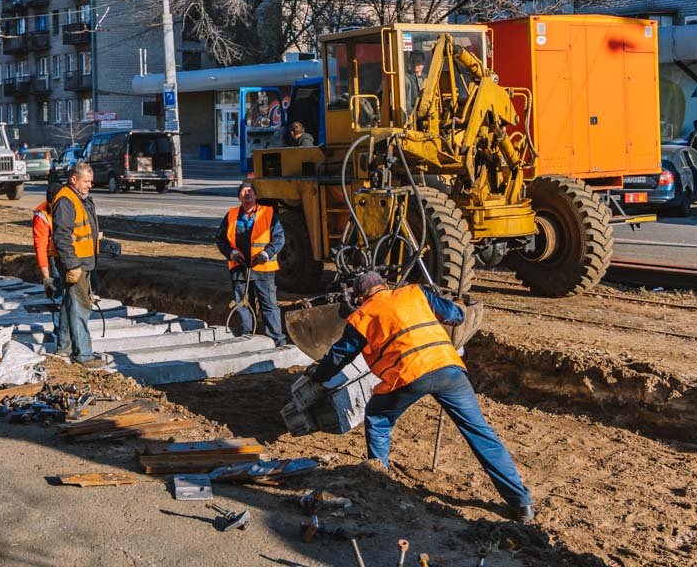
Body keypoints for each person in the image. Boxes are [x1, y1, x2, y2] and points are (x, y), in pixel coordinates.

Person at [307, 271, 535, 523]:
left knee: (378, 418)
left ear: (361, 297)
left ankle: (380, 483)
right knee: (480, 433)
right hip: (449, 369)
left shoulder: (362, 316)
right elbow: (456, 315)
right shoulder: (414, 293)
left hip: (408, 375)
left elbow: (340, 354)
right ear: (384, 285)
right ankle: (521, 503)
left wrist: (318, 377)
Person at [215, 184, 286, 344]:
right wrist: (232, 253)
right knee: (243, 304)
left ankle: (276, 339)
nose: (247, 194)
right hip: (239, 268)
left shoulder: (267, 213)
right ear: (239, 196)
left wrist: (266, 253)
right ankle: (248, 336)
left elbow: (279, 238)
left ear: (255, 195)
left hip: (263, 269)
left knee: (268, 305)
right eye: (243, 191)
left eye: (250, 191)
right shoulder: (232, 215)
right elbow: (221, 239)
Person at [51, 162, 104, 367]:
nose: (90, 185)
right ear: (74, 179)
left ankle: (64, 348)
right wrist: (72, 265)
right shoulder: (66, 200)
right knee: (81, 307)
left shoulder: (82, 199)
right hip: (76, 263)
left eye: (91, 181)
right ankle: (84, 355)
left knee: (69, 304)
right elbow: (62, 236)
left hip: (84, 261)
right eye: (86, 181)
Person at [32, 182, 63, 301]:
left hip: (74, 253)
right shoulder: (42, 216)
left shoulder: (71, 206)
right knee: (59, 291)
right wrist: (47, 278)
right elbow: (40, 246)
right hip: (55, 256)